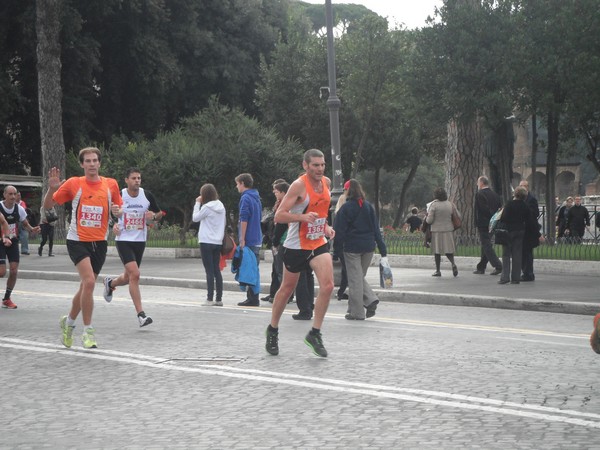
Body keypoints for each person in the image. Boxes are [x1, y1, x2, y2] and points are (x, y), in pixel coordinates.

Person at [43, 147, 123, 349]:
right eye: (87, 161)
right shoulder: (74, 183)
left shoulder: (110, 184)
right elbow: (48, 206)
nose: (92, 164)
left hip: (100, 242)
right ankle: (88, 331)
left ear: (100, 163)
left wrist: (117, 212)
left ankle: (68, 323)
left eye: (95, 160)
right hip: (77, 240)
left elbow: (119, 211)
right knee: (88, 282)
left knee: (85, 286)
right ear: (82, 164)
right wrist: (52, 188)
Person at [265, 149, 335, 358]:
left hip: (317, 243)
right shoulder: (298, 186)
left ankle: (315, 333)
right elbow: (279, 216)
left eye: (322, 165)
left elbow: (321, 214)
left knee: (328, 285)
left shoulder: (326, 183)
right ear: (305, 165)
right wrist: (303, 219)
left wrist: (326, 228)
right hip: (296, 245)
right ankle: (273, 330)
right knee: (286, 289)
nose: (319, 169)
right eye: (315, 165)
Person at [103, 168, 163, 327]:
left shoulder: (147, 195)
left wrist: (153, 217)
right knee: (135, 274)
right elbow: (109, 213)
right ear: (127, 180)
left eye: (139, 178)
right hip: (123, 240)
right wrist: (113, 225)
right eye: (134, 178)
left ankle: (110, 284)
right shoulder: (120, 195)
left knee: (129, 276)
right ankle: (141, 315)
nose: (137, 181)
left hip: (140, 240)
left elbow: (159, 213)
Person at [333, 178, 387, 320]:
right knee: (357, 278)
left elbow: (339, 232)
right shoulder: (368, 206)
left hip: (352, 248)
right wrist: (383, 249)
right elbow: (376, 229)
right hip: (369, 247)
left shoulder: (345, 208)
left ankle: (362, 308)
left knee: (355, 280)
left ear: (347, 191)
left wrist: (336, 252)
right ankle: (353, 308)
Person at [0, 185, 40, 309]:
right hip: (1, 241)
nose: (13, 197)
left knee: (13, 270)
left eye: (15, 194)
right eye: (10, 194)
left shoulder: (19, 209)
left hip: (12, 241)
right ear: (4, 195)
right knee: (1, 272)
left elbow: (25, 224)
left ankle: (7, 298)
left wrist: (33, 229)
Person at [192, 183, 226, 306]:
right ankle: (219, 299)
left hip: (206, 241)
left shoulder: (206, 207)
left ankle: (209, 298)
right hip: (217, 241)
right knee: (217, 270)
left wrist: (197, 203)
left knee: (209, 270)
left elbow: (195, 218)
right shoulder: (221, 206)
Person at [497, 186, 537, 284]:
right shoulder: (525, 205)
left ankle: (505, 277)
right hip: (520, 231)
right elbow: (529, 220)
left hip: (509, 231)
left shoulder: (509, 204)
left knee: (506, 254)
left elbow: (504, 218)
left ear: (515, 194)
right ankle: (516, 278)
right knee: (517, 254)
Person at [235, 173, 263, 307]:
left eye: (237, 184)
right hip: (257, 237)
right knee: (254, 268)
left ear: (242, 183)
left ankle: (252, 298)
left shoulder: (245, 198)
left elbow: (244, 219)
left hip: (249, 238)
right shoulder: (256, 197)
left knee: (249, 269)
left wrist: (242, 238)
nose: (236, 187)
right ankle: (253, 296)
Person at [261, 179, 287, 303]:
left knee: (280, 269)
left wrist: (275, 241)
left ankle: (284, 295)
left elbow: (281, 223)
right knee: (276, 269)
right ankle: (275, 293)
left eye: (276, 191)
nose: (274, 193)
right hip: (276, 238)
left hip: (281, 239)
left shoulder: (285, 204)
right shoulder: (278, 203)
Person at [425, 187, 459, 277]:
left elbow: (429, 220)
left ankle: (438, 270)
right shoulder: (450, 204)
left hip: (436, 231)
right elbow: (457, 215)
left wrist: (427, 217)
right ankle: (453, 263)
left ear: (435, 195)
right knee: (449, 250)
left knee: (437, 251)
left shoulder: (434, 205)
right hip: (448, 230)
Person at [473, 176, 503, 275]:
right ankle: (481, 267)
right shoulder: (495, 195)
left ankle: (498, 265)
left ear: (481, 183)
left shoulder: (479, 194)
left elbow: (483, 209)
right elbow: (499, 208)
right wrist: (494, 218)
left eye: (478, 183)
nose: (477, 185)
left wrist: (489, 217)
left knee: (486, 245)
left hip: (484, 223)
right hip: (493, 223)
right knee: (485, 244)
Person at [519, 180, 539, 282]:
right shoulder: (519, 199)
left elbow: (535, 213)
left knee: (527, 253)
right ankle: (525, 272)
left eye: (524, 186)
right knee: (523, 253)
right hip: (521, 229)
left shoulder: (531, 199)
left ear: (527, 187)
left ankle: (528, 274)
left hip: (528, 230)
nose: (522, 188)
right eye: (520, 186)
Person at [333, 181, 349, 300]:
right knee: (349, 271)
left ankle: (341, 291)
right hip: (348, 245)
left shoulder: (339, 214)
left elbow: (336, 233)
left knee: (346, 270)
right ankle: (342, 291)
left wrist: (335, 251)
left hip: (343, 245)